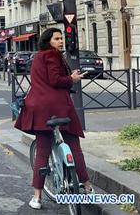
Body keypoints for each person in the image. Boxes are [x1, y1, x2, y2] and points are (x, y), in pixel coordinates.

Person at [14, 27, 92, 210]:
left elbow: (42, 80)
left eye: (61, 38)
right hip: (58, 107)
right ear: (48, 40)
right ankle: (87, 187)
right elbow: (55, 79)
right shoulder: (52, 55)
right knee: (74, 146)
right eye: (57, 38)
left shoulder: (38, 57)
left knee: (42, 151)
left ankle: (37, 197)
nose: (61, 41)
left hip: (39, 109)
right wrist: (71, 79)